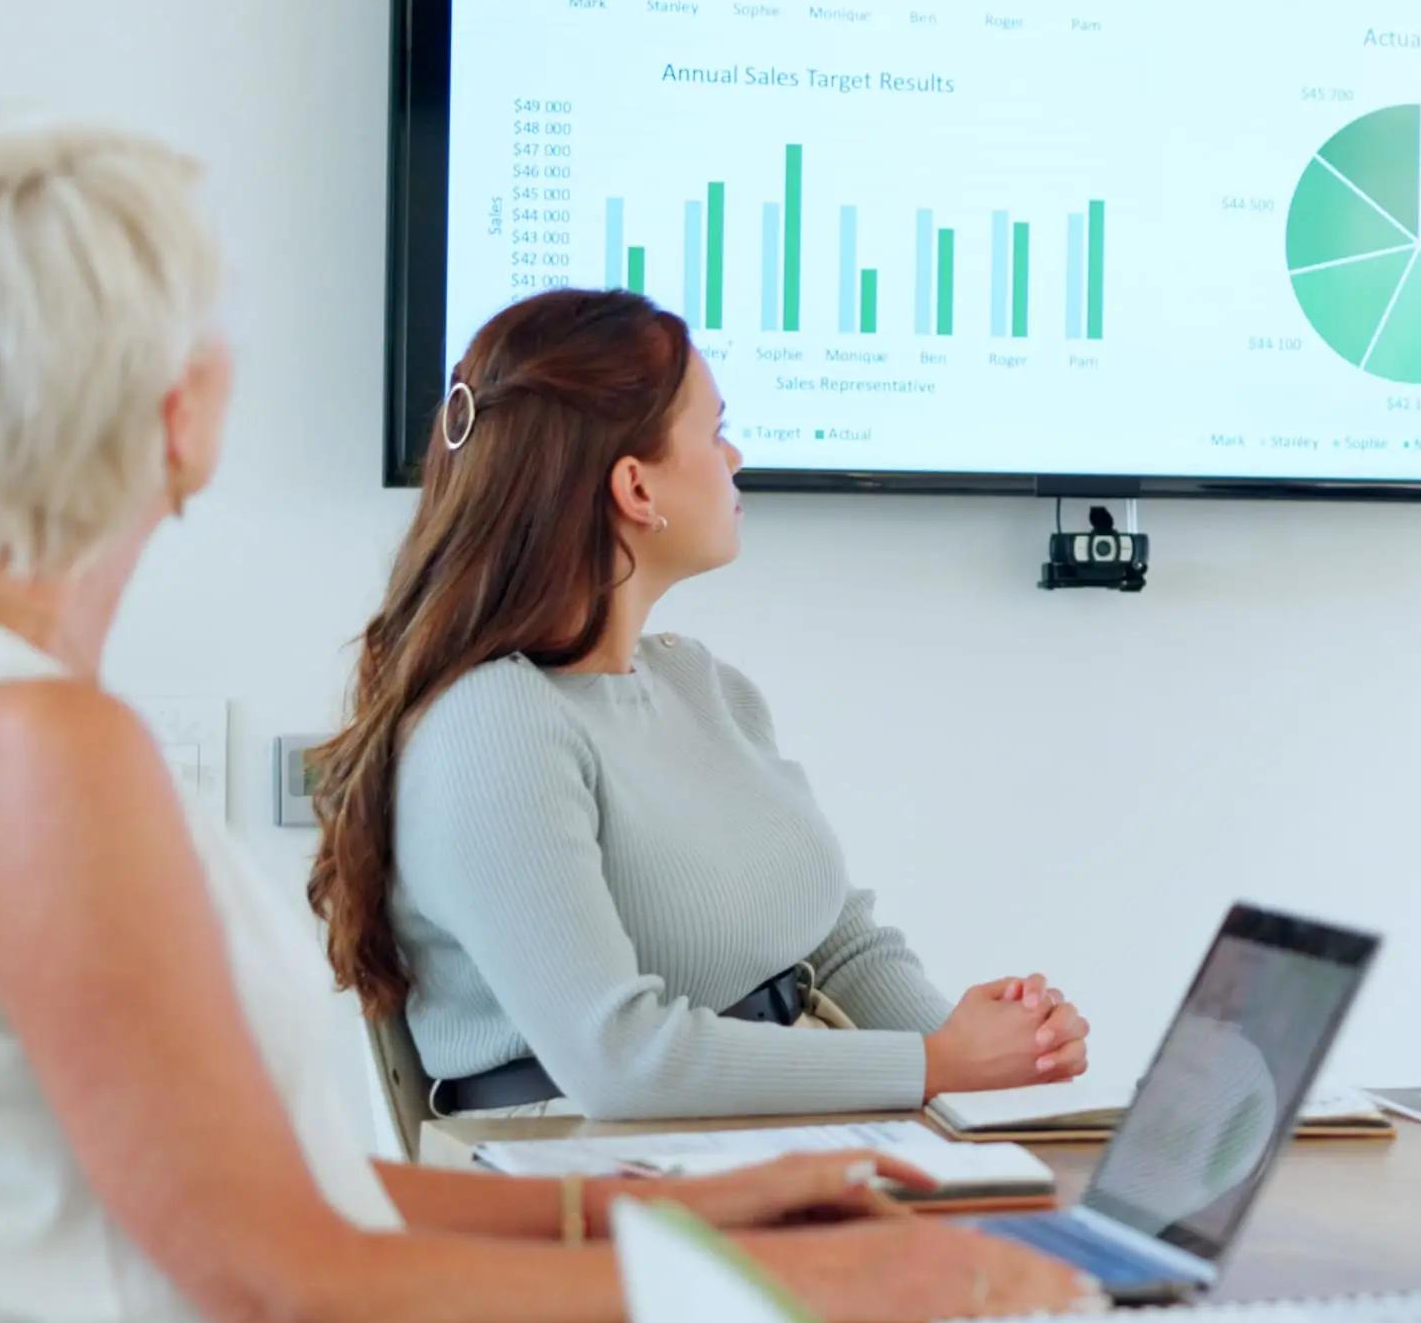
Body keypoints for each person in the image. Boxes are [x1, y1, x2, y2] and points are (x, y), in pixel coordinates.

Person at [0, 126, 1094, 1323]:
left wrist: (672, 1207)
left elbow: (281, 1198)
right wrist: (793, 1274)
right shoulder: (38, 760)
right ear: (179, 406)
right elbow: (292, 1295)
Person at [306, 288, 1089, 1122]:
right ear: (637, 488)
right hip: (582, 1174)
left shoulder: (701, 685)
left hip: (761, 1145)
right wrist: (937, 1062)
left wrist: (995, 1058)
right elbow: (621, 1061)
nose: (737, 456)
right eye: (715, 432)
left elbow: (837, 943)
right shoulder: (494, 724)